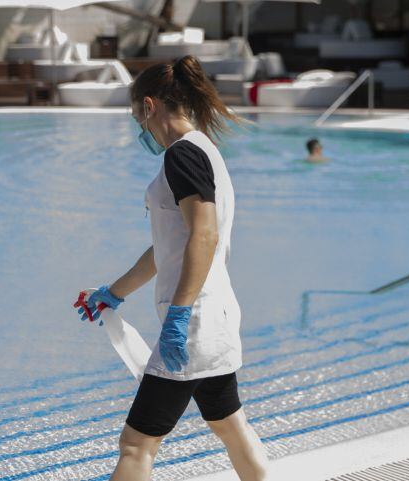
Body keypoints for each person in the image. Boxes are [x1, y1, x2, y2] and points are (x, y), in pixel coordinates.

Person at [77, 55, 269, 481]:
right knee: (231, 427)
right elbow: (169, 247)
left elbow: (204, 235)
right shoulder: (205, 151)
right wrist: (115, 291)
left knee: (136, 444)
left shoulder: (181, 156)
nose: (139, 129)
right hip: (214, 322)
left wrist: (179, 316)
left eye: (136, 117)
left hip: (193, 326)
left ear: (150, 106)